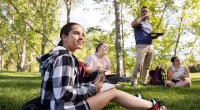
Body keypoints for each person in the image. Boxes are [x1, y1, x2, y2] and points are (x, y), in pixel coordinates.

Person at [37, 22, 167, 110]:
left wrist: (92, 86)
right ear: (64, 37)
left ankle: (145, 103)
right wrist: (93, 88)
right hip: (60, 107)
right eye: (76, 33)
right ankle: (154, 106)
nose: (81, 37)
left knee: (108, 88)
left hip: (55, 105)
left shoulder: (62, 55)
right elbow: (64, 94)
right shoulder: (64, 57)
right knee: (113, 93)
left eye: (83, 34)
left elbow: (68, 88)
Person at [131, 6, 163, 88]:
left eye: (146, 11)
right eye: (143, 11)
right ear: (140, 13)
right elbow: (132, 25)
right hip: (141, 46)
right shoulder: (138, 21)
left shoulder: (149, 25)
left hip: (150, 46)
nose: (145, 12)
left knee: (147, 66)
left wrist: (156, 36)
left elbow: (149, 36)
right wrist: (142, 17)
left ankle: (143, 82)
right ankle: (133, 83)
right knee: (139, 64)